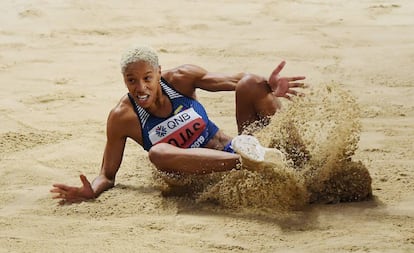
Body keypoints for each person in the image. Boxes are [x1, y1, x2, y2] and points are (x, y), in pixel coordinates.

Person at [50, 45, 306, 204]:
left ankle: (302, 161)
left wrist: (269, 87)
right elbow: (107, 175)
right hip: (212, 177)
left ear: (159, 72)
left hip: (238, 147)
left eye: (147, 78)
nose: (141, 88)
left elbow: (238, 80)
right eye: (131, 81)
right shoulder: (122, 117)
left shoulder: (181, 80)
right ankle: (249, 162)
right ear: (124, 80)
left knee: (251, 83)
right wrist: (91, 191)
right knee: (157, 152)